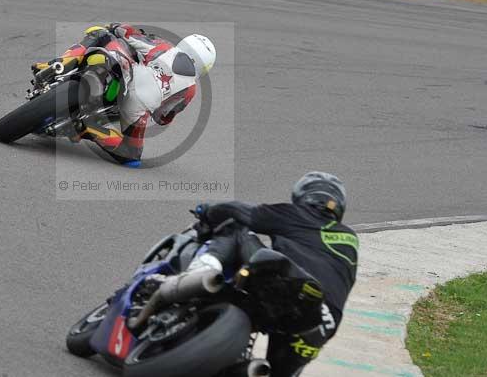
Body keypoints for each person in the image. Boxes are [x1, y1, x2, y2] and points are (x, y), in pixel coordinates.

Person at [190, 172, 358, 377]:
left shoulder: (296, 214)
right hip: (321, 324)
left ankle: (203, 268)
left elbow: (238, 211)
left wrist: (207, 212)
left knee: (237, 229)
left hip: (287, 292)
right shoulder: (351, 240)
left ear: (304, 197)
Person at [33, 23, 215, 166]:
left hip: (126, 75)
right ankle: (88, 127)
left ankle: (59, 65)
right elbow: (163, 117)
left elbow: (128, 34)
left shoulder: (164, 47)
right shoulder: (190, 91)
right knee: (132, 155)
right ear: (205, 67)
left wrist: (116, 27)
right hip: (135, 108)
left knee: (99, 33)